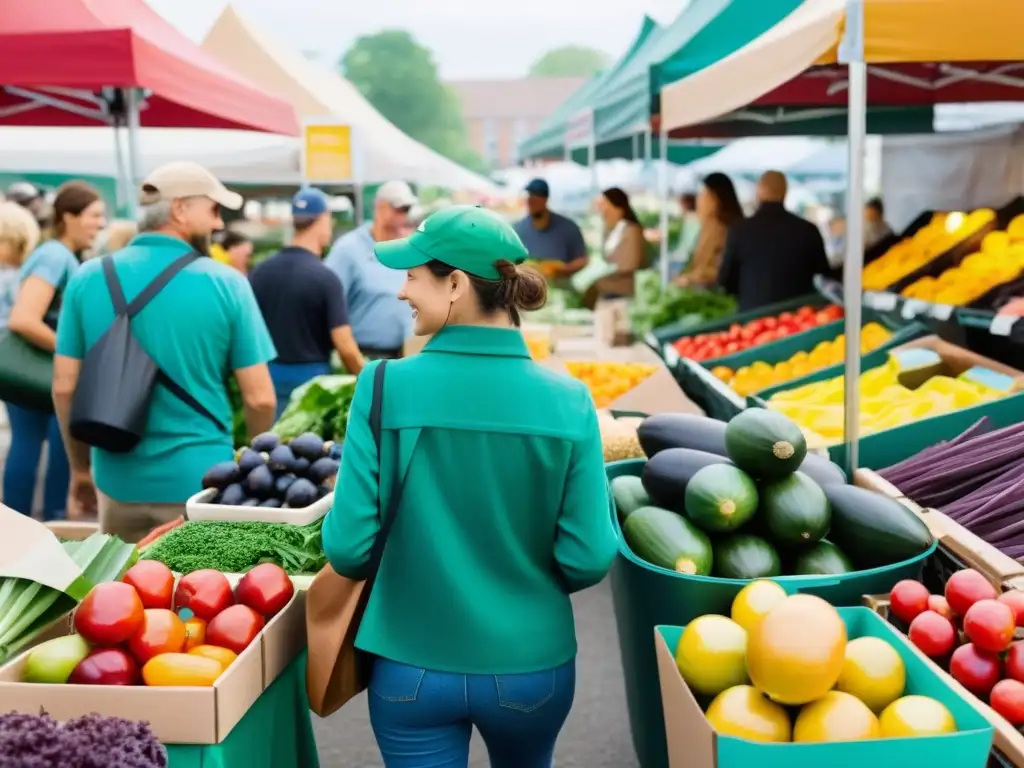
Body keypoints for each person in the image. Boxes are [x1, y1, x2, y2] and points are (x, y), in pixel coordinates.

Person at [321, 205, 616, 767]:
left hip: (409, 662)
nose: (402, 291)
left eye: (412, 275)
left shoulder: (384, 386)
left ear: (454, 283)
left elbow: (349, 549)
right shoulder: (569, 400)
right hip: (531, 664)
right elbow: (589, 557)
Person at [52, 162, 278, 542]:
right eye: (214, 210)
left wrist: (79, 470)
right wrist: (254, 467)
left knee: (122, 597)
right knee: (198, 597)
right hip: (201, 483)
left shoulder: (88, 277)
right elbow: (260, 398)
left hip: (115, 476)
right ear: (179, 209)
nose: (219, 224)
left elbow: (64, 388)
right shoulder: (227, 284)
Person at [6, 181, 105, 520]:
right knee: (50, 446)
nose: (101, 223)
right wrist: (71, 353)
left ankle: (23, 527)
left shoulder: (59, 254)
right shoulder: (54, 255)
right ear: (69, 216)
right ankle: (49, 522)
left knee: (30, 444)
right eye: (95, 215)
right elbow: (23, 318)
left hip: (34, 370)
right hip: (40, 371)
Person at [250, 188, 364, 417]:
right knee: (307, 450)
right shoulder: (325, 278)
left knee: (269, 450)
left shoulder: (259, 272)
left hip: (267, 377)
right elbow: (344, 344)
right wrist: (370, 380)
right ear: (322, 220)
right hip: (312, 387)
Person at [324, 181, 418, 359]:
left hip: (406, 354)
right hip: (364, 354)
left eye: (406, 210)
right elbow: (327, 300)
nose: (402, 216)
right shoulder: (348, 249)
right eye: (398, 209)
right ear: (380, 208)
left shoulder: (409, 249)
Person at [718, 170, 830, 311]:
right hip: (799, 316)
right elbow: (824, 277)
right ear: (785, 193)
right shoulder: (808, 230)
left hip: (752, 316)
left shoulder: (739, 230)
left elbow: (725, 279)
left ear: (758, 191)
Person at [676, 173, 745, 289]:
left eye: (704, 194)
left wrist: (690, 278)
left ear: (715, 199)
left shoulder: (722, 229)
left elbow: (720, 269)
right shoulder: (709, 226)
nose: (699, 200)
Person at [513, 179, 588, 277]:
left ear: (546, 199)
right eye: (530, 196)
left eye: (536, 196)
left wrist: (561, 270)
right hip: (528, 284)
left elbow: (582, 259)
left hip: (560, 282)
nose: (532, 200)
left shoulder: (568, 228)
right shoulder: (519, 228)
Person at [592, 187, 646, 299]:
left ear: (617, 207)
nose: (602, 210)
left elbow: (631, 263)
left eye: (605, 205)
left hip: (622, 292)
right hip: (606, 290)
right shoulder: (611, 231)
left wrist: (603, 272)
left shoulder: (631, 230)